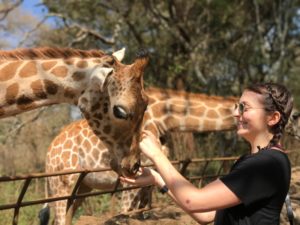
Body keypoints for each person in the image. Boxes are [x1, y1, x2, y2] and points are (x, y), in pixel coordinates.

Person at [120, 83, 294, 225]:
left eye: (244, 108)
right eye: (237, 106)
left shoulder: (267, 164)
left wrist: (157, 155)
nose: (235, 113)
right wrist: (157, 179)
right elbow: (206, 214)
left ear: (272, 118)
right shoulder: (254, 160)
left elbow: (193, 200)